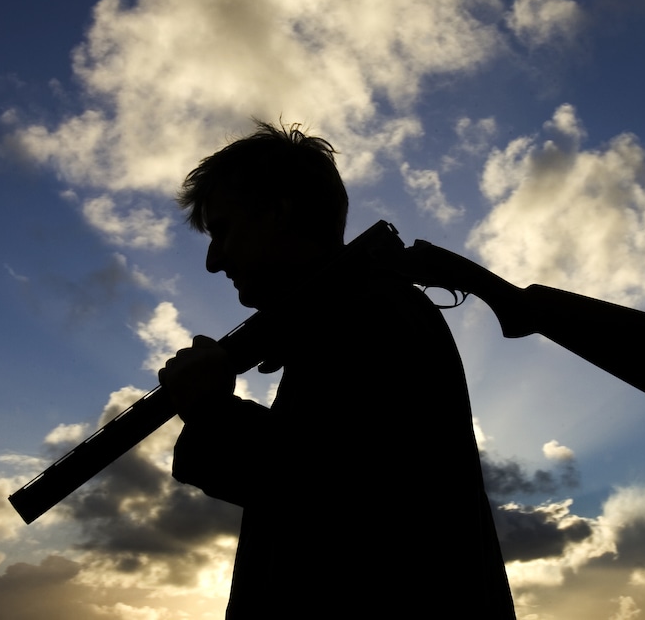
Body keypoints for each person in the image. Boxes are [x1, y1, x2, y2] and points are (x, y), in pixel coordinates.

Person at [159, 121, 515, 618]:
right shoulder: (349, 313)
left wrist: (210, 411)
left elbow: (331, 492)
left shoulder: (367, 313)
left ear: (278, 214)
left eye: (223, 230)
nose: (213, 261)